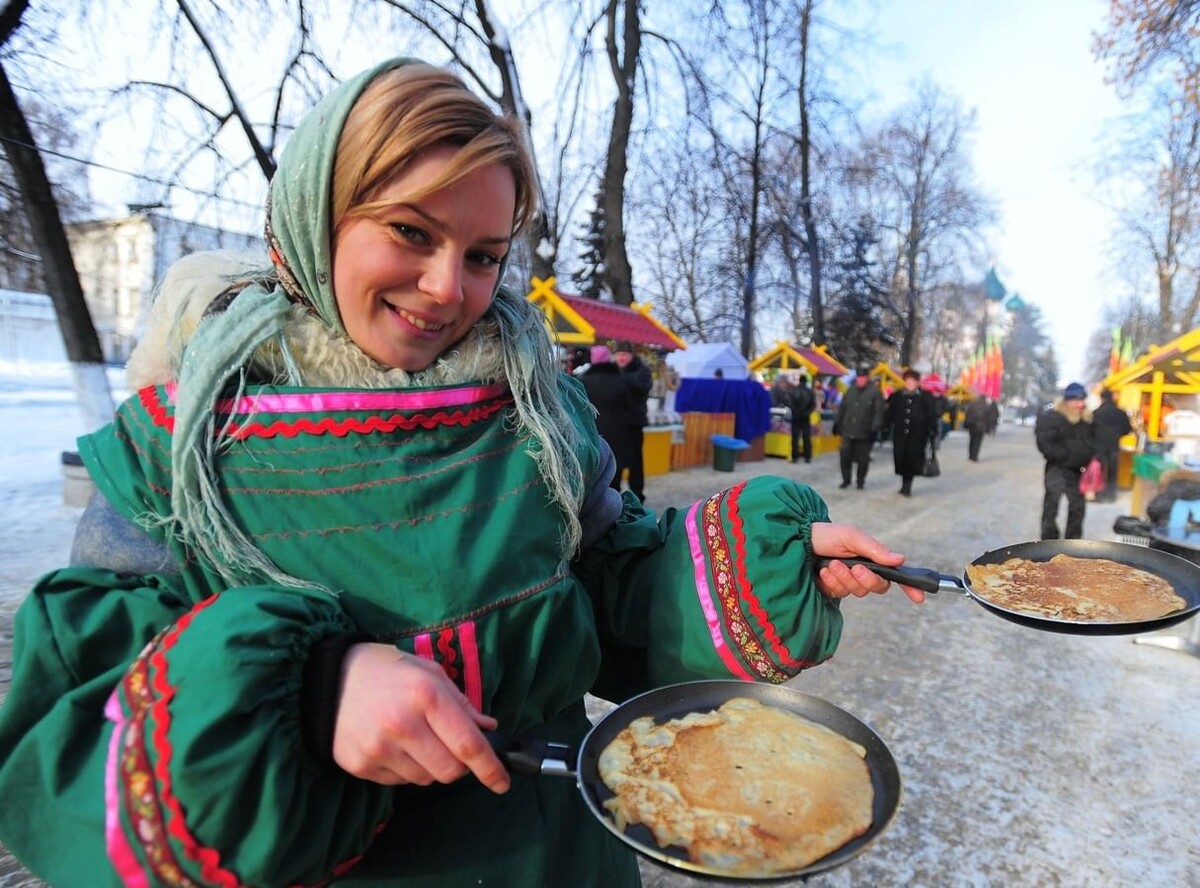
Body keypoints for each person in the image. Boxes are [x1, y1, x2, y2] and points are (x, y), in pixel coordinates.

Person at [0, 59, 926, 888]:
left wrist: (764, 569)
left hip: (563, 858)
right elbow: (79, 715)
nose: (448, 286)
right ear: (314, 218)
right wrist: (308, 690)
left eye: (483, 256)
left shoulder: (531, 417)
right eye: (410, 231)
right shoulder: (186, 446)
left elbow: (605, 589)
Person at [1035, 382, 1096, 539]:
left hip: (1078, 471)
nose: (1080, 404)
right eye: (1076, 400)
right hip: (1057, 468)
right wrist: (1066, 457)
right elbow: (1045, 444)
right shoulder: (1052, 418)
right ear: (1067, 401)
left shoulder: (1086, 419)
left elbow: (1091, 442)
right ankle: (1049, 540)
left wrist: (1089, 458)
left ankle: (1073, 541)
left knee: (1078, 507)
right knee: (1052, 504)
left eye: (1082, 400)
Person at [580, 344, 637, 496]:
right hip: (619, 435)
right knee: (614, 482)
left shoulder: (583, 381)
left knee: (592, 483)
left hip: (593, 436)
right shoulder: (621, 380)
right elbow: (628, 406)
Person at [884, 368, 940, 496]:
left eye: (913, 381)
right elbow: (889, 414)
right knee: (901, 458)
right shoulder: (897, 396)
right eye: (908, 380)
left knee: (912, 459)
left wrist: (933, 431)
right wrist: (885, 427)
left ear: (917, 382)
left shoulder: (925, 397)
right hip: (900, 434)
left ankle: (907, 486)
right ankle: (905, 482)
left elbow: (932, 415)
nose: (910, 383)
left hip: (918, 435)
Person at [612, 340, 652, 503]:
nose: (621, 358)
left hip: (635, 423)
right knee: (615, 461)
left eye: (624, 354)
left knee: (635, 461)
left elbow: (643, 387)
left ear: (631, 355)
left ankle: (637, 496)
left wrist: (622, 379)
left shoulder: (642, 370)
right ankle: (614, 494)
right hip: (616, 424)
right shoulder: (612, 370)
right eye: (618, 355)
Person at [833, 368, 885, 490]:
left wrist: (875, 428)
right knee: (845, 454)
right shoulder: (850, 391)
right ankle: (846, 479)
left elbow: (879, 412)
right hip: (848, 429)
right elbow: (842, 409)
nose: (860, 380)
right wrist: (838, 424)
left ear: (867, 378)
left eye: (863, 378)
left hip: (865, 431)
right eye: (859, 378)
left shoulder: (875, 392)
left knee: (863, 458)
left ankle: (860, 480)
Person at [1092, 388, 1132, 502]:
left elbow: (1089, 429)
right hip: (1114, 446)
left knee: (1100, 471)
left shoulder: (1096, 413)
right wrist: (1118, 434)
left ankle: (1099, 495)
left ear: (1102, 398)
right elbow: (1128, 429)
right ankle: (1111, 495)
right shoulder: (1121, 413)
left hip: (1099, 446)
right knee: (1113, 471)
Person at [789, 374, 817, 463]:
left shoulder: (793, 390)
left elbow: (790, 403)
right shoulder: (810, 392)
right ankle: (807, 457)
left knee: (795, 438)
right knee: (806, 437)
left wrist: (795, 411)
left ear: (799, 381)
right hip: (805, 417)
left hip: (796, 416)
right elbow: (813, 405)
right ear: (806, 381)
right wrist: (806, 413)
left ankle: (795, 457)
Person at [964, 396, 991, 462]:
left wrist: (967, 424)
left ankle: (970, 455)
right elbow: (988, 418)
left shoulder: (972, 405)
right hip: (981, 427)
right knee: (978, 442)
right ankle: (974, 456)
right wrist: (988, 428)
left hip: (972, 426)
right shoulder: (986, 407)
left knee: (972, 440)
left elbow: (967, 414)